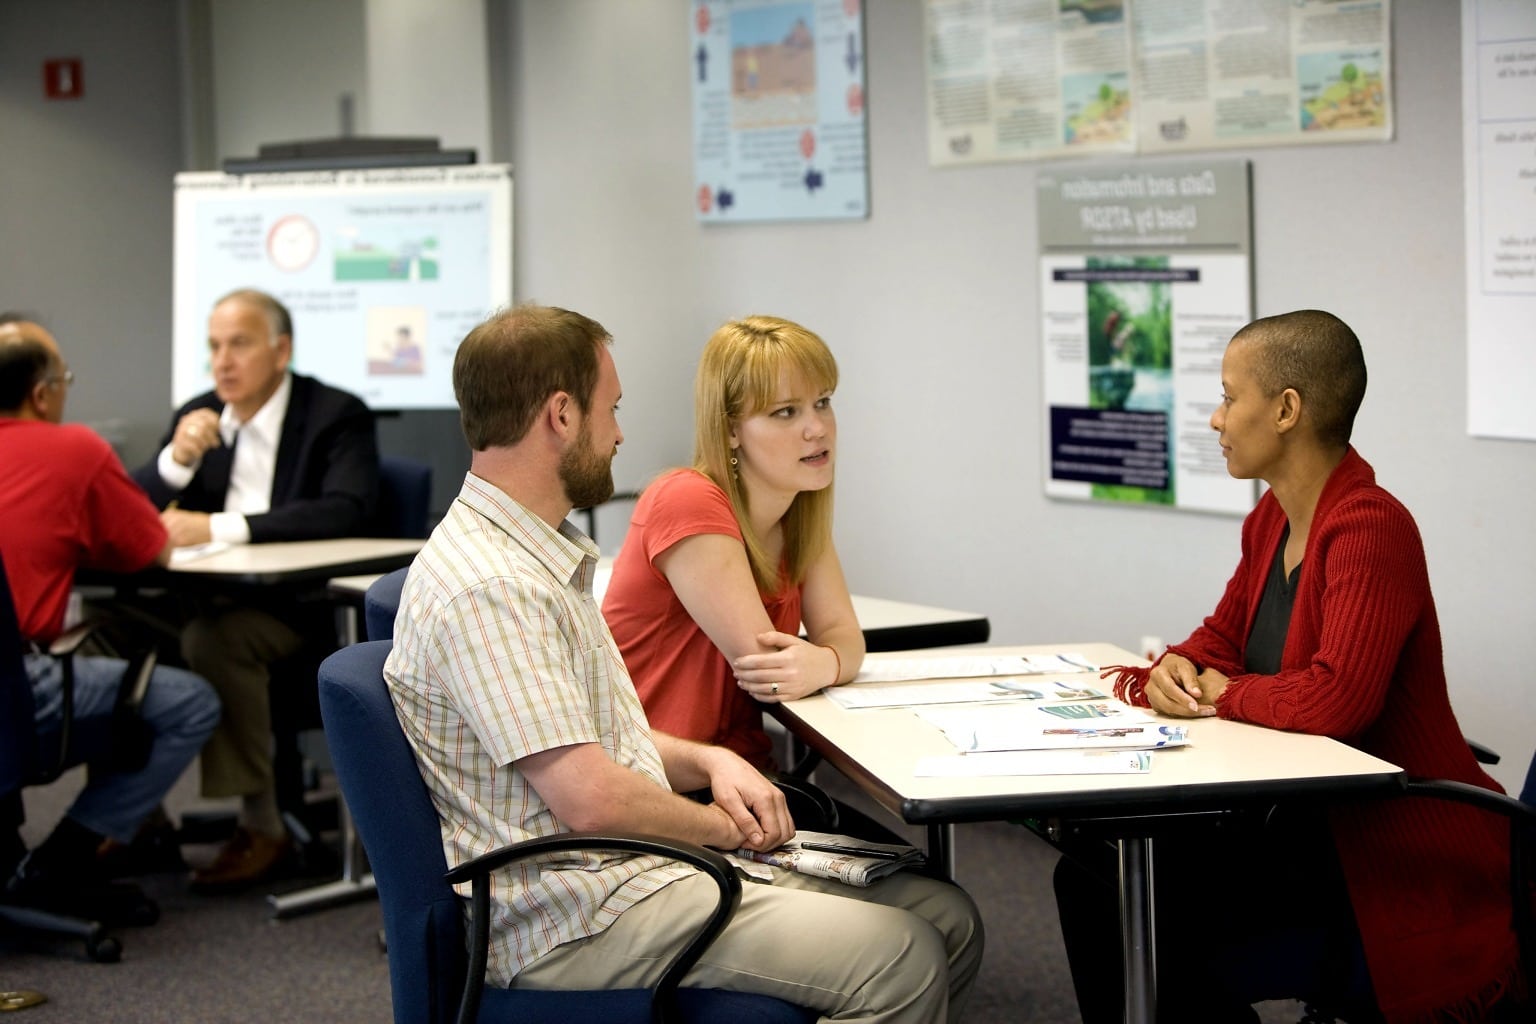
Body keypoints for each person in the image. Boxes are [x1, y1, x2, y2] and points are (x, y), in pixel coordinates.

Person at [386, 304, 983, 1021]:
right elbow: (590, 799)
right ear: (562, 417)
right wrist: (719, 830)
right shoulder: (492, 587)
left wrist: (707, 765)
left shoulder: (534, 557)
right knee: (901, 954)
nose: (621, 433)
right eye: (612, 409)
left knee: (948, 923)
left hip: (630, 865)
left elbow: (598, 744)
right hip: (579, 911)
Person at [1054, 310, 1522, 1023]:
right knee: (1092, 875)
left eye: (1228, 396)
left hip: (1385, 851)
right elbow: (1221, 639)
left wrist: (1223, 693)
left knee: (1143, 909)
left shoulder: (1371, 528)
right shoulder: (1270, 519)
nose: (1215, 418)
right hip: (1300, 826)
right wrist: (1175, 669)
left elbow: (1339, 701)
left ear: (1286, 409)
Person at [131, 288, 379, 888]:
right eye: (214, 346)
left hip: (297, 613)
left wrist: (219, 525)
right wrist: (174, 465)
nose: (222, 362)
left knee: (218, 640)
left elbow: (345, 510)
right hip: (200, 600)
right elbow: (125, 514)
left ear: (281, 349)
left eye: (239, 344)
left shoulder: (333, 413)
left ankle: (261, 825)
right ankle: (134, 821)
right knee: (108, 635)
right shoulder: (200, 413)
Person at [0, 314, 220, 922]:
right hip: (17, 688)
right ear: (43, 393)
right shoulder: (72, 448)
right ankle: (58, 861)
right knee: (189, 702)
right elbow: (151, 547)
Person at [603, 315, 862, 772]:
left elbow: (845, 638)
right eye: (786, 411)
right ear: (729, 431)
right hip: (653, 782)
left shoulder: (799, 512)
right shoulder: (687, 498)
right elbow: (770, 669)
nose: (816, 428)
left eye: (822, 403)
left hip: (738, 776)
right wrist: (829, 659)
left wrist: (827, 663)